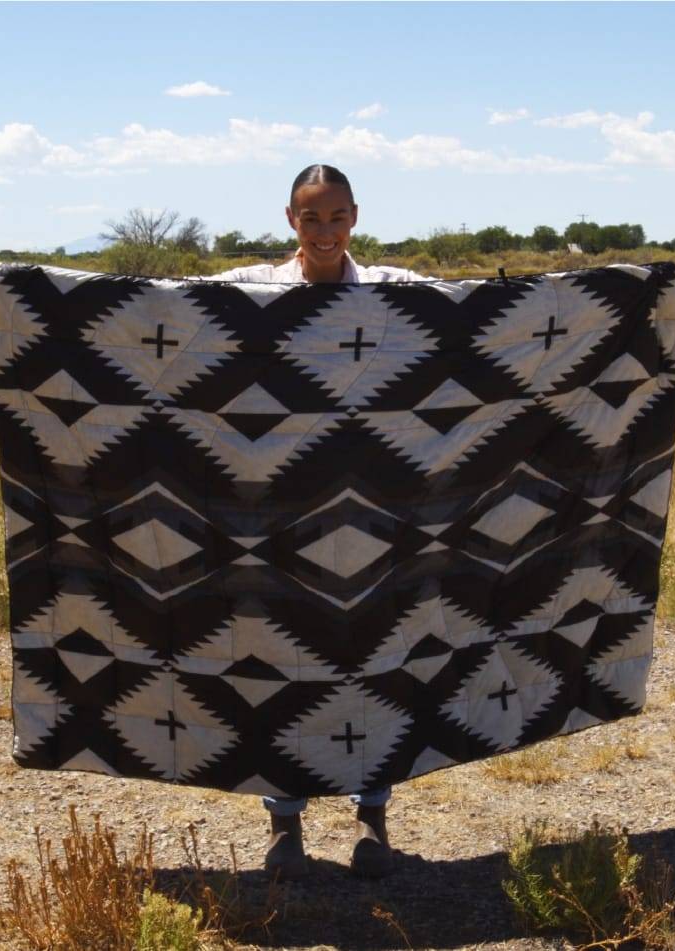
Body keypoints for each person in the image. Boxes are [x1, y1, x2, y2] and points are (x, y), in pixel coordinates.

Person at [198, 164, 435, 880]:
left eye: (337, 217)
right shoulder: (256, 292)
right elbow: (169, 315)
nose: (325, 232)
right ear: (289, 220)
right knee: (279, 658)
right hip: (280, 514)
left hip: (376, 513)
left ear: (355, 217)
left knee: (377, 654)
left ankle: (372, 820)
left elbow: (478, 322)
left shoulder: (395, 292)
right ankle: (283, 825)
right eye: (311, 218)